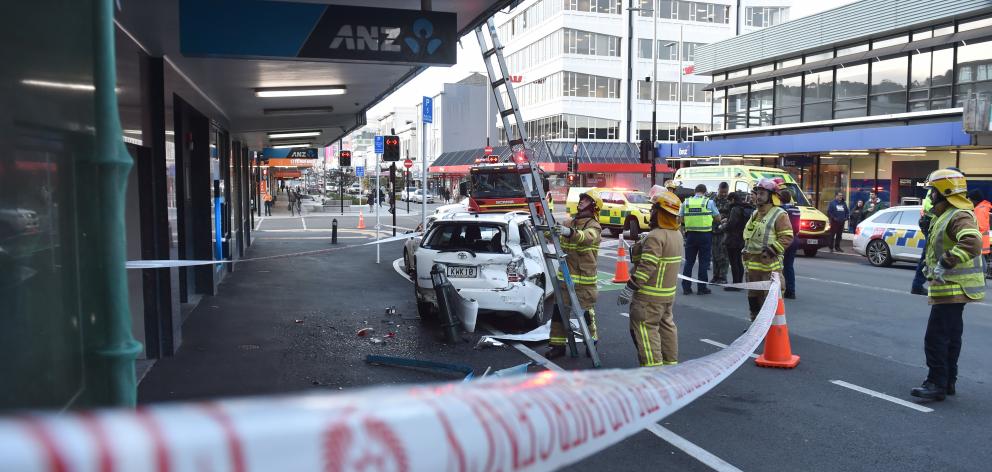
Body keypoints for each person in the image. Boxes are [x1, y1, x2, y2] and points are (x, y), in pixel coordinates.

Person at [910, 169, 985, 401]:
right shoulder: (947, 213)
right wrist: (927, 228)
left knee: (936, 338)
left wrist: (946, 261)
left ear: (945, 192)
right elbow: (942, 241)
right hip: (952, 288)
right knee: (950, 337)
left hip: (953, 286)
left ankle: (936, 383)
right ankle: (947, 381)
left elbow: (972, 242)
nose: (930, 195)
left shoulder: (958, 215)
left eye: (933, 191)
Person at [618, 187, 684, 366]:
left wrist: (629, 288)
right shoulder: (677, 235)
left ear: (662, 213)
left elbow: (646, 267)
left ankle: (653, 373)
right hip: (666, 296)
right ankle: (670, 366)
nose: (651, 212)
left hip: (648, 298)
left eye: (654, 209)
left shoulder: (656, 237)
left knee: (647, 332)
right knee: (667, 328)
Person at [546, 189, 603, 359]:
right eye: (581, 199)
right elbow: (553, 233)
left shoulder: (594, 226)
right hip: (565, 279)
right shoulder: (570, 223)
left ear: (593, 206)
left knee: (586, 314)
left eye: (585, 200)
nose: (581, 202)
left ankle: (591, 342)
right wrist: (547, 227)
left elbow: (587, 237)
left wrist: (568, 232)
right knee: (558, 313)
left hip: (584, 281)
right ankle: (558, 346)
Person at [741, 178, 794, 321]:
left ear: (772, 196)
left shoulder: (779, 214)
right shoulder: (755, 214)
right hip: (752, 266)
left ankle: (771, 330)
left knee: (769, 300)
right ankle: (755, 327)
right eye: (757, 192)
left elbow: (787, 237)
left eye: (762, 193)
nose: (758, 196)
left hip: (769, 266)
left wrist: (770, 251)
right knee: (753, 298)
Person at [679, 184, 719, 295]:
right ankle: (701, 288)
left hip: (690, 235)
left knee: (689, 262)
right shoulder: (708, 202)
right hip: (705, 235)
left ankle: (686, 288)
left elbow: (680, 219)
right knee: (703, 263)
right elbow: (718, 217)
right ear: (705, 192)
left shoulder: (686, 202)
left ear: (695, 191)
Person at [721, 191, 753, 292]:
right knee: (739, 261)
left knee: (734, 262)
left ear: (733, 199)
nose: (729, 203)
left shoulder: (735, 209)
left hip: (733, 239)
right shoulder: (744, 207)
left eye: (729, 201)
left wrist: (723, 226)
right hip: (742, 238)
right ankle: (739, 283)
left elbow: (732, 224)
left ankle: (735, 284)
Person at [779, 188, 802, 299]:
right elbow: (797, 226)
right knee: (789, 266)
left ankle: (781, 289)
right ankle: (791, 290)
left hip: (783, 238)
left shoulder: (780, 210)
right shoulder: (796, 209)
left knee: (779, 265)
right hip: (794, 238)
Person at [710, 182, 732, 284]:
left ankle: (723, 276)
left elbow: (731, 216)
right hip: (713, 230)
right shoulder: (712, 200)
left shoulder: (730, 201)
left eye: (725, 192)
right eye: (722, 192)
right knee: (715, 255)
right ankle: (715, 276)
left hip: (724, 231)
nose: (724, 194)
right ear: (718, 189)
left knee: (724, 255)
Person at [968, 189, 990, 258]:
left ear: (975, 200)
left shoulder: (979, 210)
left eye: (970, 200)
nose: (969, 202)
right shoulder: (982, 208)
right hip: (982, 245)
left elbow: (979, 227)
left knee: (981, 267)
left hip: (979, 246)